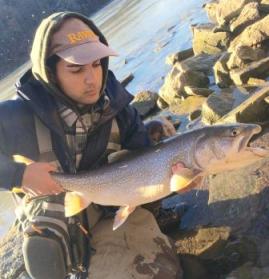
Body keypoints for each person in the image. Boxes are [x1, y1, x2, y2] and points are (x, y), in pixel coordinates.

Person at [0, 11, 183, 279]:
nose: (92, 79)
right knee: (44, 240)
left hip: (109, 202)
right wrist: (20, 174)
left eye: (97, 64)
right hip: (53, 208)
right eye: (76, 69)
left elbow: (144, 158)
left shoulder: (119, 108)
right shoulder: (16, 116)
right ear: (50, 71)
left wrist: (174, 177)